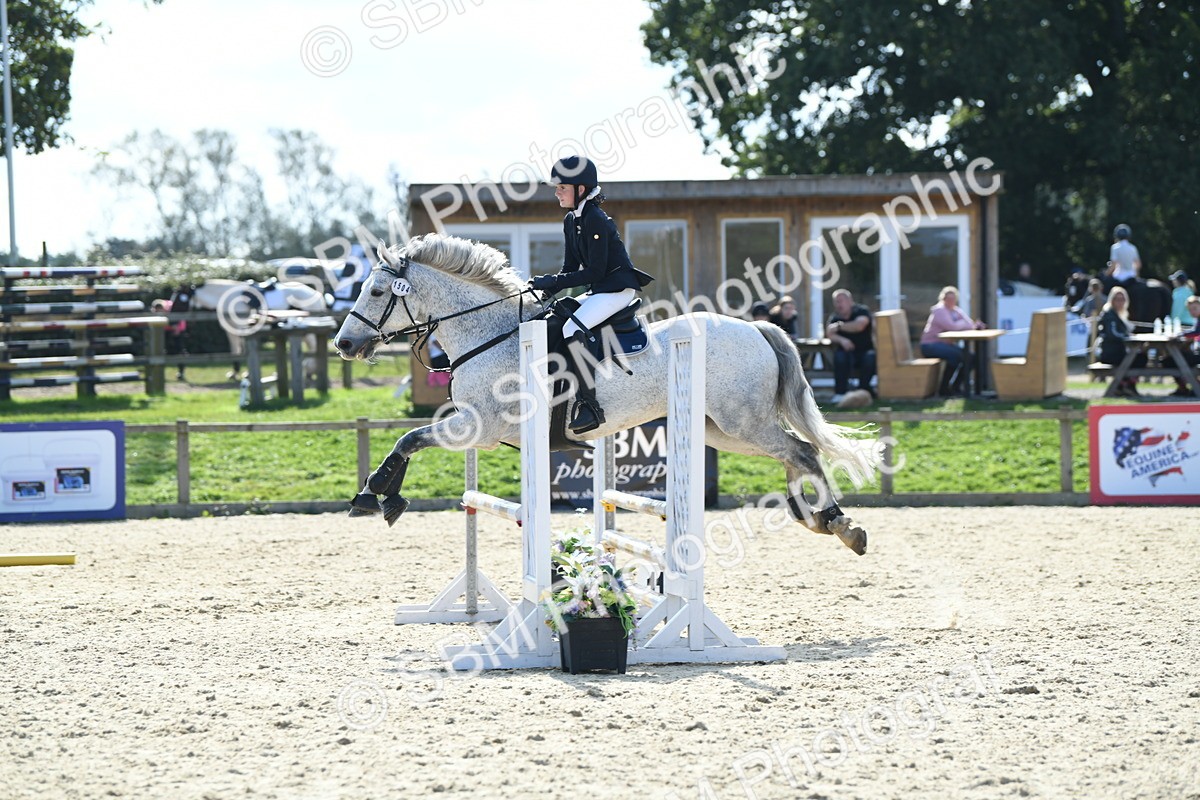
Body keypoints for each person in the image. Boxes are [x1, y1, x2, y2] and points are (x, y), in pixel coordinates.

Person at [530, 155, 654, 434]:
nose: (557, 192)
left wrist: (554, 280)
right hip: (600, 290)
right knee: (556, 317)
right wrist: (545, 287)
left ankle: (589, 406)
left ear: (581, 189)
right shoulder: (571, 220)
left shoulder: (596, 219)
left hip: (617, 289)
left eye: (562, 187)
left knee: (573, 327)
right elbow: (570, 268)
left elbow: (596, 272)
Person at [919, 286, 985, 396]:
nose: (951, 301)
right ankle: (943, 389)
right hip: (930, 345)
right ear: (943, 299)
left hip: (944, 344)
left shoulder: (955, 310)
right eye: (948, 299)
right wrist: (962, 324)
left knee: (972, 358)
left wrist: (975, 325)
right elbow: (952, 326)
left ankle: (955, 387)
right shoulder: (940, 310)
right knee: (955, 357)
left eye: (953, 299)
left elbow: (969, 324)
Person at [825, 289, 875, 402]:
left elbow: (859, 325)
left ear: (850, 301)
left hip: (865, 351)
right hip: (846, 352)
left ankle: (864, 391)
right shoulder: (834, 317)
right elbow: (829, 333)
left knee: (870, 357)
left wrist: (838, 327)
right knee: (840, 357)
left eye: (841, 301)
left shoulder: (861, 311)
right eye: (836, 302)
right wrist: (842, 340)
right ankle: (840, 393)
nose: (838, 304)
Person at [1096, 286, 1146, 397]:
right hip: (1110, 354)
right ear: (1112, 300)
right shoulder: (1109, 314)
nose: (1120, 302)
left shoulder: (1119, 314)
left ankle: (1124, 386)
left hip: (1117, 351)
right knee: (1140, 359)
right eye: (1117, 299)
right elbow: (1112, 333)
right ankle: (1126, 386)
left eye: (1122, 299)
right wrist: (1127, 336)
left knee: (1139, 357)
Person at [151, 298, 188, 380]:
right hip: (165, 329)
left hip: (178, 327)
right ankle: (157, 372)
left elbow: (179, 316)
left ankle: (181, 372)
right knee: (160, 349)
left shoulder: (172, 307)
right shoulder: (156, 309)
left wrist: (177, 328)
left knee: (180, 350)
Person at [1106, 223, 1141, 289]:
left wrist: (1106, 274)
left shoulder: (1115, 247)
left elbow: (1113, 266)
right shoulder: (1133, 247)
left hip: (1119, 276)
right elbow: (1138, 264)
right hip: (1131, 276)